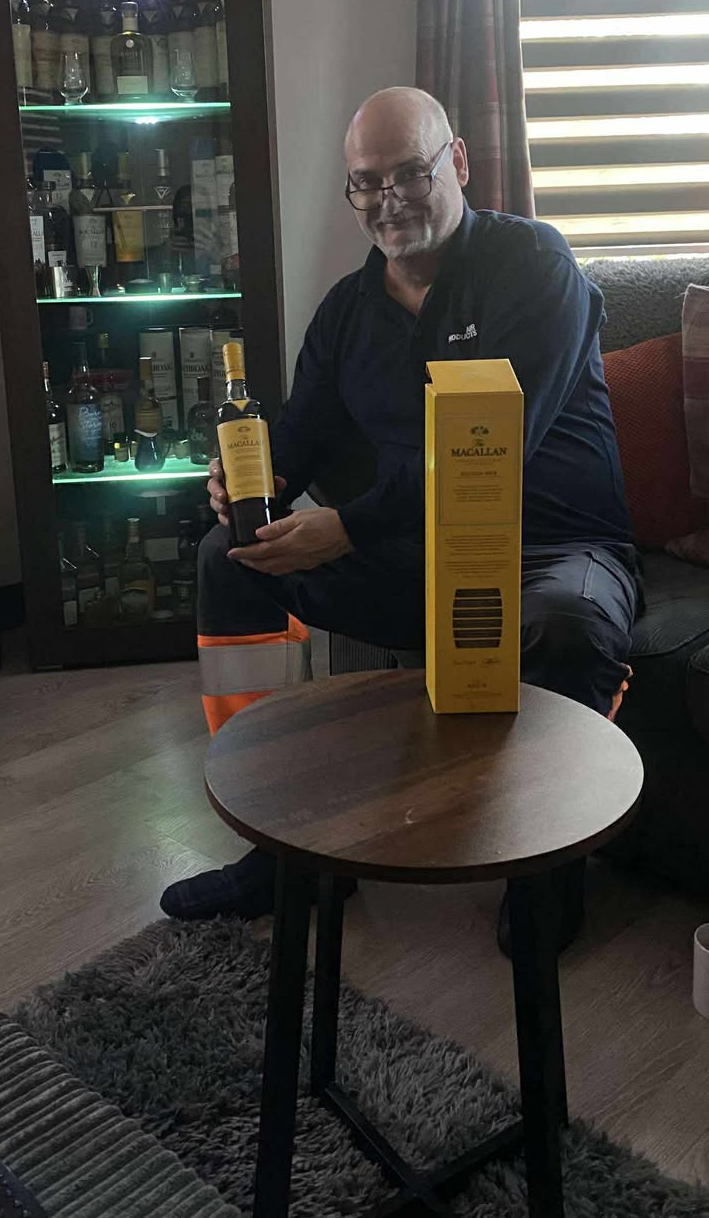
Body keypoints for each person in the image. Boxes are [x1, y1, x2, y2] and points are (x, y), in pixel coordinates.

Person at [161, 86, 639, 954]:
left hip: (554, 548)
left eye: (410, 174)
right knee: (226, 559)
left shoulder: (533, 263)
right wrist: (250, 485)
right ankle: (281, 845)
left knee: (565, 628)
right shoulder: (347, 312)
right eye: (366, 181)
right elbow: (299, 437)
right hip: (414, 557)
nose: (388, 200)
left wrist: (346, 526)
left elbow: (495, 446)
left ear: (458, 162)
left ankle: (546, 876)